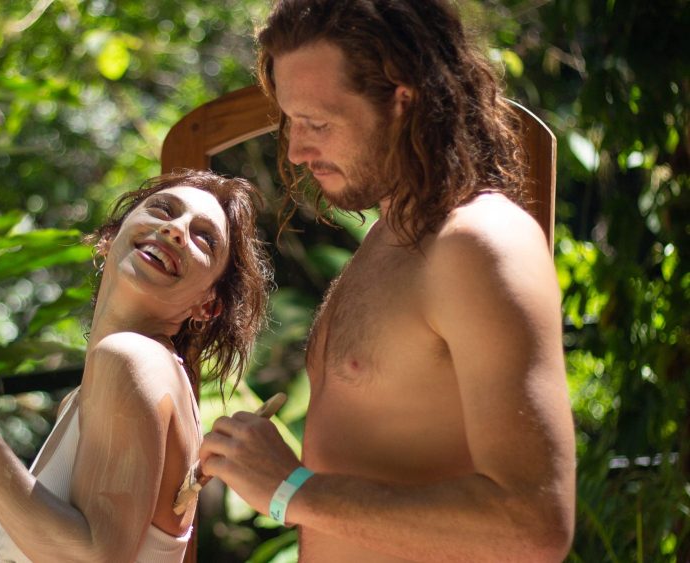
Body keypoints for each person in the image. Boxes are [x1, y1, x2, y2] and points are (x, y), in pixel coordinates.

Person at [199, 1, 576, 561]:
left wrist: (291, 491)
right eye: (291, 121)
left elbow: (534, 524)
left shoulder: (478, 244)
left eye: (318, 124)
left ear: (403, 101)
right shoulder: (389, 238)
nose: (297, 150)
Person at [0, 169, 271, 562]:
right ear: (111, 236)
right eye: (164, 211)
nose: (175, 230)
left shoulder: (134, 360)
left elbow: (96, 556)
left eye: (203, 239)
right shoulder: (114, 384)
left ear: (208, 305)